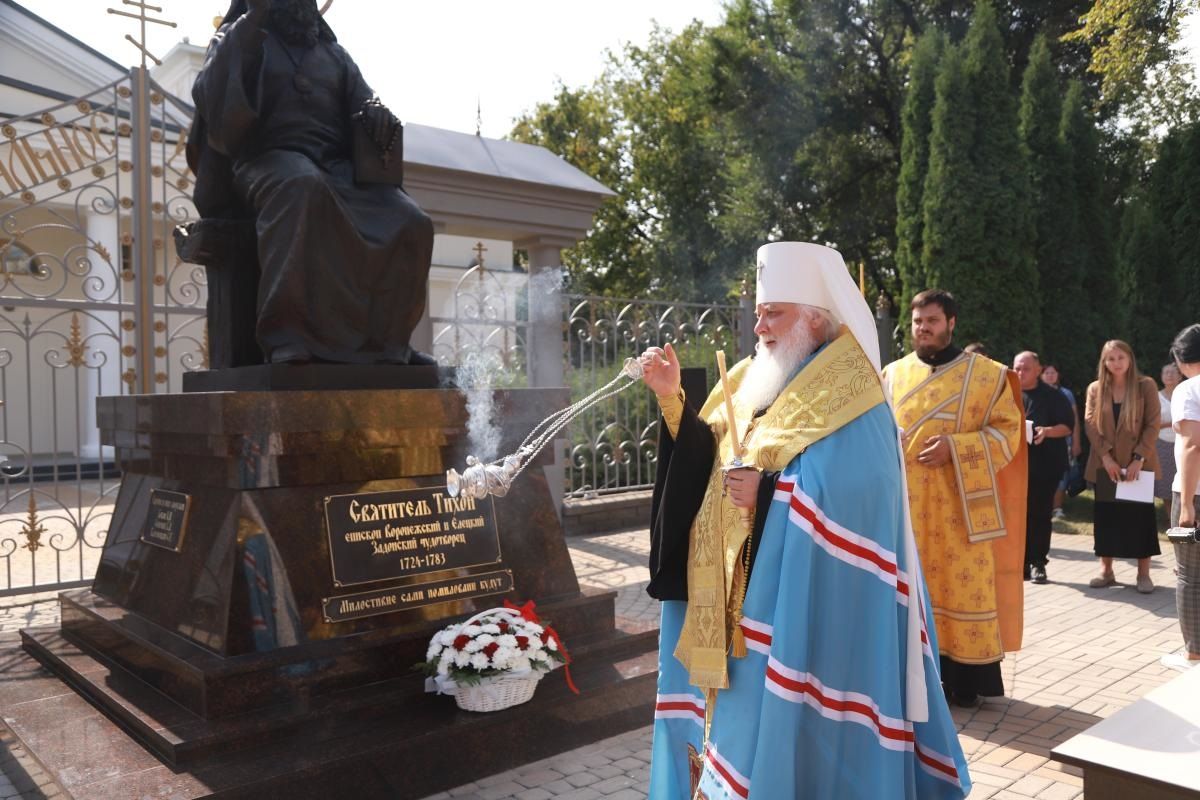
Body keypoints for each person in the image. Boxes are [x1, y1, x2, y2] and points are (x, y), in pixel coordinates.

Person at [643, 244, 969, 798]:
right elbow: (709, 449)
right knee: (732, 732)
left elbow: (865, 491)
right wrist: (673, 399)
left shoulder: (854, 390)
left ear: (815, 319)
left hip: (794, 607)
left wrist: (769, 492)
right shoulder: (749, 375)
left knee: (787, 737)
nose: (760, 327)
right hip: (725, 600)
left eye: (775, 313)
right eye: (759, 313)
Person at [187, 0, 435, 365]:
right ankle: (286, 336)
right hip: (266, 159)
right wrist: (253, 19)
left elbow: (366, 101)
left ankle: (390, 344)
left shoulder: (335, 55)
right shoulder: (238, 36)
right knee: (300, 186)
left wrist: (376, 112)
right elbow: (217, 103)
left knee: (411, 219)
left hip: (336, 169)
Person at [882, 289, 1026, 708]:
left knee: (960, 589)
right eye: (917, 322)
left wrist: (956, 448)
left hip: (960, 511)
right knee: (909, 589)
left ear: (951, 323)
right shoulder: (891, 374)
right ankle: (910, 680)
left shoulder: (988, 376)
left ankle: (964, 680)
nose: (923, 328)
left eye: (932, 321)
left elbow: (1008, 433)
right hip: (905, 508)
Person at [1083, 340, 1161, 592]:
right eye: (1111, 359)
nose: (1116, 363)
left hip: (1138, 464)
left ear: (1130, 359)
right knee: (1107, 518)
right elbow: (1090, 424)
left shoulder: (1146, 385)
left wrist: (1139, 458)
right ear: (1104, 362)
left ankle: (1143, 575)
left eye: (1121, 357)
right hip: (1107, 465)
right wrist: (1106, 458)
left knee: (1140, 519)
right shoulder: (1095, 388)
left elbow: (1153, 424)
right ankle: (1106, 571)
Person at [1013, 353, 1075, 583]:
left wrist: (1046, 431)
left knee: (1039, 514)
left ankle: (1038, 562)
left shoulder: (1053, 395)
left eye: (1026, 368)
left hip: (1045, 465)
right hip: (1013, 466)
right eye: (1017, 368)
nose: (1020, 373)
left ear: (1038, 370)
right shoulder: (1006, 393)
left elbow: (1067, 426)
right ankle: (1020, 563)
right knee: (1016, 516)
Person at [1163, 325, 1200, 671]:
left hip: (1196, 493)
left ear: (1181, 358)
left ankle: (1194, 653)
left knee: (1190, 575)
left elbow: (1191, 445)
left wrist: (1186, 504)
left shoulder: (1189, 389)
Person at [1042, 364, 1082, 518]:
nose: (1050, 375)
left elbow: (1074, 420)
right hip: (1041, 441)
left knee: (1062, 474)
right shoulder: (1036, 392)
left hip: (1064, 441)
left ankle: (1057, 508)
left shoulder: (1066, 394)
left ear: (1058, 375)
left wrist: (1076, 442)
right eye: (1047, 373)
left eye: (1053, 372)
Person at [1155, 362, 1182, 507]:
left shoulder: (1185, 394)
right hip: (1162, 443)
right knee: (1166, 483)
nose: (1169, 375)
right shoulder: (1156, 397)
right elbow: (1152, 423)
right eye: (1166, 372)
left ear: (1180, 376)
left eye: (1173, 372)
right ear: (1161, 376)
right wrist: (1175, 423)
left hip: (1184, 443)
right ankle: (1169, 517)